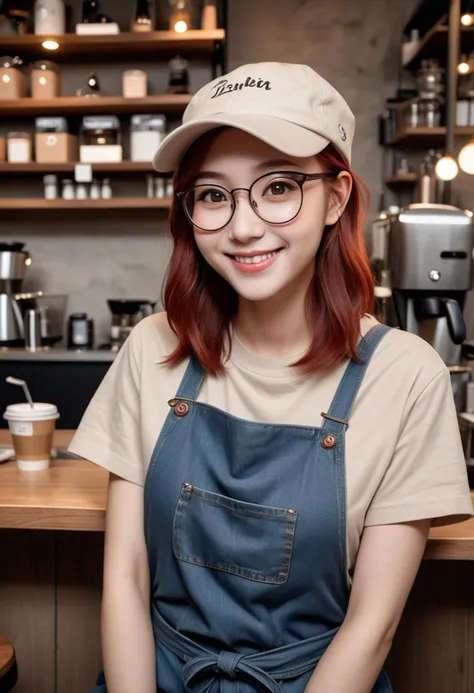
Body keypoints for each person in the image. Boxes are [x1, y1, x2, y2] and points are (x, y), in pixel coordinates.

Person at [69, 62, 473, 693]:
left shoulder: (403, 374)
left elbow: (373, 625)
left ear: (336, 196)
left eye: (278, 186)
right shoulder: (153, 349)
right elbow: (123, 576)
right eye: (212, 193)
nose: (243, 225)